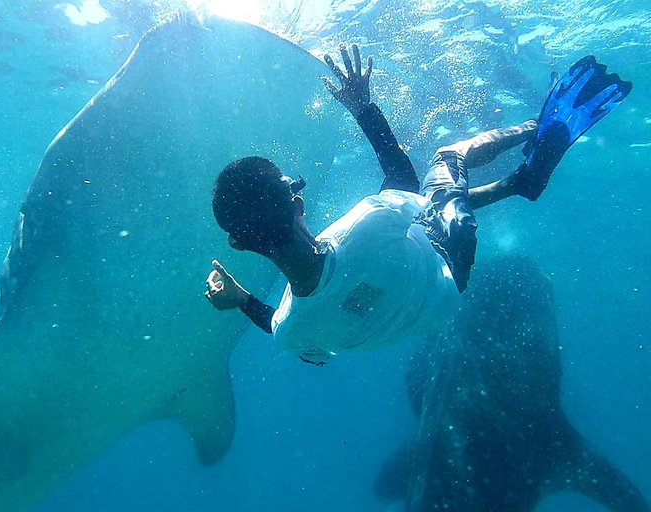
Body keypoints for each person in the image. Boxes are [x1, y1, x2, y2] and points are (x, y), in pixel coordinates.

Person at [204, 44, 631, 366]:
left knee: (428, 210)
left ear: (239, 244)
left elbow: (275, 325)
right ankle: (535, 127)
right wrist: (364, 108)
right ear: (297, 203)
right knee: (446, 162)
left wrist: (241, 299)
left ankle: (521, 182)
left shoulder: (293, 331)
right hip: (451, 258)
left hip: (438, 306)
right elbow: (403, 183)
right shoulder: (367, 226)